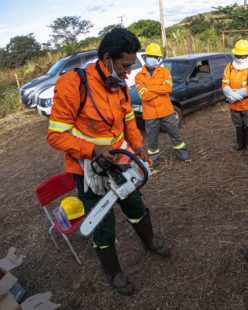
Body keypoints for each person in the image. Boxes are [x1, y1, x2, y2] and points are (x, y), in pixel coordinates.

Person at [48, 28, 170, 296]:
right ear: (106, 59)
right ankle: (114, 273)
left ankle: (150, 241)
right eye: (126, 65)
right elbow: (55, 136)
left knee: (135, 204)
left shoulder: (120, 84)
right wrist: (91, 150)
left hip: (119, 163)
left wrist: (138, 146)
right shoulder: (73, 85)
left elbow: (128, 120)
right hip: (87, 170)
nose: (129, 72)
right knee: (102, 223)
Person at [135, 43, 190, 165]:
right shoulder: (139, 76)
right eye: (150, 56)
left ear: (159, 59)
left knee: (175, 134)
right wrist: (159, 89)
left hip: (167, 111)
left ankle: (183, 154)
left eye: (155, 57)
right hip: (150, 115)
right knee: (152, 140)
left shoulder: (165, 71)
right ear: (145, 57)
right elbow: (144, 95)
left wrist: (151, 89)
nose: (152, 59)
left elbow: (168, 88)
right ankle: (153, 160)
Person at [222, 39, 248, 154]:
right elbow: (224, 83)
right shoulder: (229, 67)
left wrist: (236, 95)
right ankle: (239, 143)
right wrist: (230, 94)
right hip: (234, 104)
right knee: (237, 123)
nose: (240, 57)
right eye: (238, 55)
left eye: (243, 55)